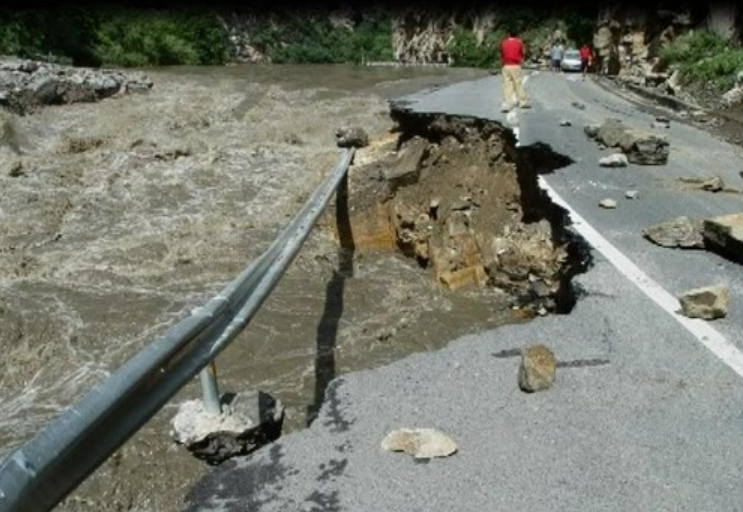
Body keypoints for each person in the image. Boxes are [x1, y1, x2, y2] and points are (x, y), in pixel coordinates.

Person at [499, 29, 530, 111]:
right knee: (518, 84)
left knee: (507, 85)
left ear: (508, 34)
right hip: (516, 65)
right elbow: (523, 53)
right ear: (516, 34)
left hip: (506, 65)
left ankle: (508, 103)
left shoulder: (503, 42)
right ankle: (522, 102)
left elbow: (501, 53)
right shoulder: (519, 42)